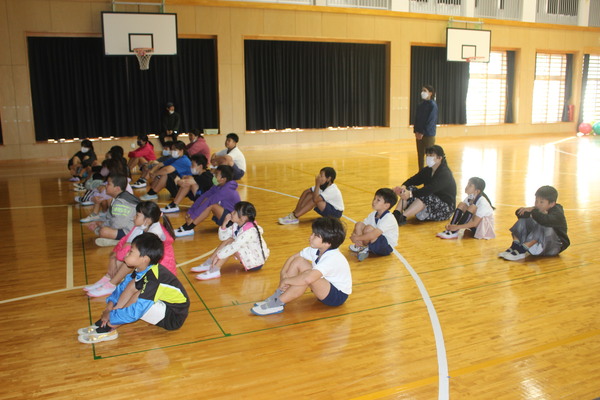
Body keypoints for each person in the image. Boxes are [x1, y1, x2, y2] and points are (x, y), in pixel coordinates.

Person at [77, 233, 190, 344]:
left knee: (139, 296)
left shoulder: (154, 280)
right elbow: (122, 288)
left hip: (172, 317)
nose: (127, 253)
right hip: (161, 305)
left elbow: (136, 310)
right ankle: (111, 317)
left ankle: (110, 327)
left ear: (144, 259)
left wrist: (112, 318)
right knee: (132, 284)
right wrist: (109, 309)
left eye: (131, 251)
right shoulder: (143, 268)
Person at [251, 217, 351, 316]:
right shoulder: (316, 249)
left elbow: (307, 279)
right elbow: (293, 257)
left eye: (315, 235)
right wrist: (283, 273)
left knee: (306, 277)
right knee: (298, 261)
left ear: (328, 243)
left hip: (337, 296)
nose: (310, 237)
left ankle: (278, 303)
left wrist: (287, 280)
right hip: (325, 285)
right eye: (312, 233)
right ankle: (279, 295)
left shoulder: (332, 258)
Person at [84, 201, 177, 297]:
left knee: (131, 256)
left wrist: (119, 255)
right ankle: (108, 278)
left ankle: (111, 284)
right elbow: (123, 241)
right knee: (127, 252)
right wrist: (113, 257)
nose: (133, 217)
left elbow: (134, 254)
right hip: (148, 265)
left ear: (147, 220)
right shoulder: (140, 227)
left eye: (137, 215)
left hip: (160, 274)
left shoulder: (154, 234)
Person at [192, 201, 270, 281]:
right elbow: (223, 238)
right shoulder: (237, 225)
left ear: (243, 218)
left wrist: (218, 256)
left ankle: (215, 270)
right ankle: (209, 262)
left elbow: (234, 247)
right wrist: (224, 223)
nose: (232, 213)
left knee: (231, 243)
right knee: (229, 240)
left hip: (255, 263)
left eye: (235, 212)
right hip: (247, 255)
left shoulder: (250, 231)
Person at [498, 185, 569, 261]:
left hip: (554, 247)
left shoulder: (558, 213)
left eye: (541, 202)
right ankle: (515, 246)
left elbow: (544, 220)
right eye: (536, 201)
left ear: (552, 204)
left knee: (543, 224)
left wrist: (532, 211)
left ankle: (522, 250)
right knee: (524, 220)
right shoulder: (539, 208)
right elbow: (520, 214)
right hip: (539, 245)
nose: (537, 204)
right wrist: (525, 210)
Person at [392, 145, 456, 226]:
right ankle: (396, 214)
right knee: (409, 189)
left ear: (440, 158)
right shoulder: (427, 170)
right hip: (430, 203)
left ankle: (402, 217)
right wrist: (403, 187)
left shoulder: (445, 174)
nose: (428, 158)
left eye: (431, 155)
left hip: (445, 209)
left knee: (425, 194)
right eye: (427, 155)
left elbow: (430, 189)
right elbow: (413, 180)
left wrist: (410, 194)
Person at [174, 165, 240, 237]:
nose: (214, 176)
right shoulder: (217, 185)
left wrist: (192, 217)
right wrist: (191, 211)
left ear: (223, 179)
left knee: (211, 205)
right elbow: (203, 197)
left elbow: (209, 202)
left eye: (216, 175)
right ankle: (187, 225)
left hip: (232, 221)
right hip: (226, 216)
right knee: (206, 200)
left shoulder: (227, 190)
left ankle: (189, 227)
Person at [83, 174, 140, 247]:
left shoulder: (120, 202)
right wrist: (98, 223)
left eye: (108, 184)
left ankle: (123, 242)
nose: (105, 186)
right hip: (130, 228)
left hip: (134, 231)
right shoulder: (119, 198)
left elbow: (118, 224)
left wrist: (101, 224)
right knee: (102, 229)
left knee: (103, 231)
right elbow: (110, 217)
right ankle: (119, 240)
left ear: (117, 188)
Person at [278, 167, 344, 225]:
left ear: (328, 179)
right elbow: (306, 192)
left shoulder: (332, 189)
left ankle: (295, 217)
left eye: (321, 176)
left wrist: (317, 184)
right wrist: (296, 210)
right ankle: (294, 215)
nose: (319, 177)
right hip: (327, 208)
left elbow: (315, 200)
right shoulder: (323, 186)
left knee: (315, 199)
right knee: (310, 194)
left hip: (335, 213)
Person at [349, 188, 398, 262]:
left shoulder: (389, 218)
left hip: (386, 247)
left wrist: (357, 238)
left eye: (378, 200)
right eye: (374, 198)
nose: (374, 202)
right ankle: (361, 247)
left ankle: (365, 248)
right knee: (359, 224)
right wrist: (355, 235)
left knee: (368, 229)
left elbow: (373, 234)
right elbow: (361, 227)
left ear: (386, 205)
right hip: (375, 241)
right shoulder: (373, 214)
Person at [414, 85, 438, 170]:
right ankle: (421, 172)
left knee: (430, 156)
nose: (422, 92)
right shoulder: (420, 105)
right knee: (420, 155)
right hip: (419, 134)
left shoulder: (432, 105)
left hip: (428, 135)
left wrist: (422, 132)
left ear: (430, 93)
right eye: (422, 90)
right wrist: (416, 131)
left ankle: (430, 173)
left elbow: (430, 121)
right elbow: (417, 119)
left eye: (425, 91)